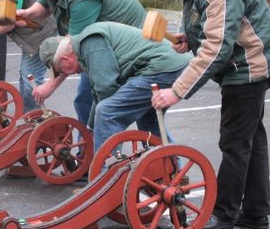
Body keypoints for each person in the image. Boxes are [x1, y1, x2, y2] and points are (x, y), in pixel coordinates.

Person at [150, 0, 270, 229]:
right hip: (248, 61)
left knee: (234, 143)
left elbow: (216, 49)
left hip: (250, 67)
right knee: (252, 138)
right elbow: (210, 22)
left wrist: (176, 91)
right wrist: (189, 36)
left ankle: (223, 216)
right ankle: (255, 212)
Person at [16, 0, 147, 128]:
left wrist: (50, 86)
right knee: (85, 102)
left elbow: (71, 52)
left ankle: (106, 150)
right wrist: (28, 13)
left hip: (127, 49)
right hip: (98, 45)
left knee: (114, 109)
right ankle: (90, 147)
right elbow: (44, 3)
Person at [38, 22, 189, 151]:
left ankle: (105, 174)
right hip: (171, 63)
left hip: (161, 66)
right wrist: (90, 127)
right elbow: (98, 92)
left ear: (65, 59)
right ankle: (170, 171)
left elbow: (106, 89)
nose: (64, 74)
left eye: (59, 70)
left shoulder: (90, 44)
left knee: (107, 111)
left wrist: (95, 129)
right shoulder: (85, 48)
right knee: (149, 121)